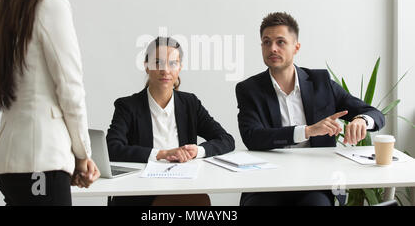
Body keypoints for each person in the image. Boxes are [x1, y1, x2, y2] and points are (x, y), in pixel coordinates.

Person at [0, 0, 100, 206]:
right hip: (42, 160)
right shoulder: (52, 4)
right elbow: (70, 88)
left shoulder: (7, 15)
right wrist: (82, 155)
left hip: (9, 162)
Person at [236, 12, 385, 206]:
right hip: (267, 183)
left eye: (280, 42)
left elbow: (375, 114)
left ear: (296, 47)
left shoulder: (321, 83)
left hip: (315, 183)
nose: (272, 48)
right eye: (266, 42)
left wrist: (361, 120)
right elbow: (252, 136)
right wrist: (307, 131)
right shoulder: (249, 89)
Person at [106, 36, 235, 206]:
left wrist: (197, 151)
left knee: (198, 201)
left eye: (173, 63)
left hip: (182, 187)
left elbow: (226, 140)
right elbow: (112, 148)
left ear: (180, 68)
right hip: (138, 192)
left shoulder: (190, 104)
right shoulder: (128, 106)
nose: (165, 70)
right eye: (158, 62)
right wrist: (162, 154)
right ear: (146, 66)